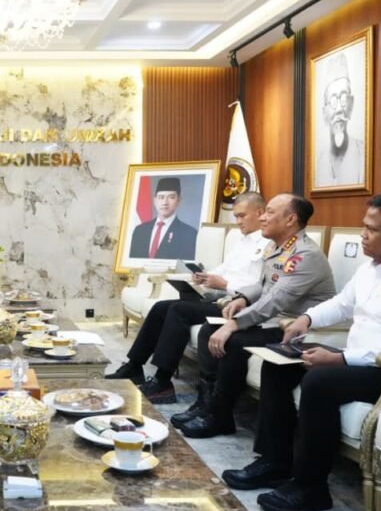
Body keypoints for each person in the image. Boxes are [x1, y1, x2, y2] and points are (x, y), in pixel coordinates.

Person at [223, 192, 381, 511]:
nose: (363, 235)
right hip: (362, 359)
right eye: (364, 227)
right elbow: (342, 304)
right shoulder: (373, 267)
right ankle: (275, 462)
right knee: (279, 363)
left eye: (371, 229)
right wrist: (307, 319)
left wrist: (341, 359)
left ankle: (311, 488)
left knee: (320, 381)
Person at [179, 194, 336, 439]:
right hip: (273, 320)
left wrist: (234, 324)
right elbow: (263, 286)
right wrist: (242, 298)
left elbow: (276, 301)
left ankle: (220, 416)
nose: (263, 217)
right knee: (210, 330)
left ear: (290, 220)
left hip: (296, 328)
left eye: (270, 212)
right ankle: (208, 403)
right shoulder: (276, 247)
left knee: (235, 341)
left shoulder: (305, 255)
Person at [106, 192, 270, 405]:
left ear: (260, 212)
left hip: (238, 306)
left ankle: (162, 382)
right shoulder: (242, 240)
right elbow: (224, 269)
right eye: (236, 216)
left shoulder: (269, 244)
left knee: (179, 310)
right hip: (219, 297)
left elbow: (260, 287)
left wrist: (225, 284)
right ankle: (134, 366)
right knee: (161, 307)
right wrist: (205, 277)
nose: (238, 221)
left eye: (242, 216)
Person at [315, 52, 365, 188]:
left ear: (351, 105)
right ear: (324, 113)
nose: (338, 109)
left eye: (343, 98)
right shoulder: (319, 161)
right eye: (332, 100)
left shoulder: (363, 155)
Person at [128, 177, 199, 260]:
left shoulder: (189, 234)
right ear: (155, 200)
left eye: (171, 197)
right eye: (161, 197)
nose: (165, 202)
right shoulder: (139, 230)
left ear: (179, 200)